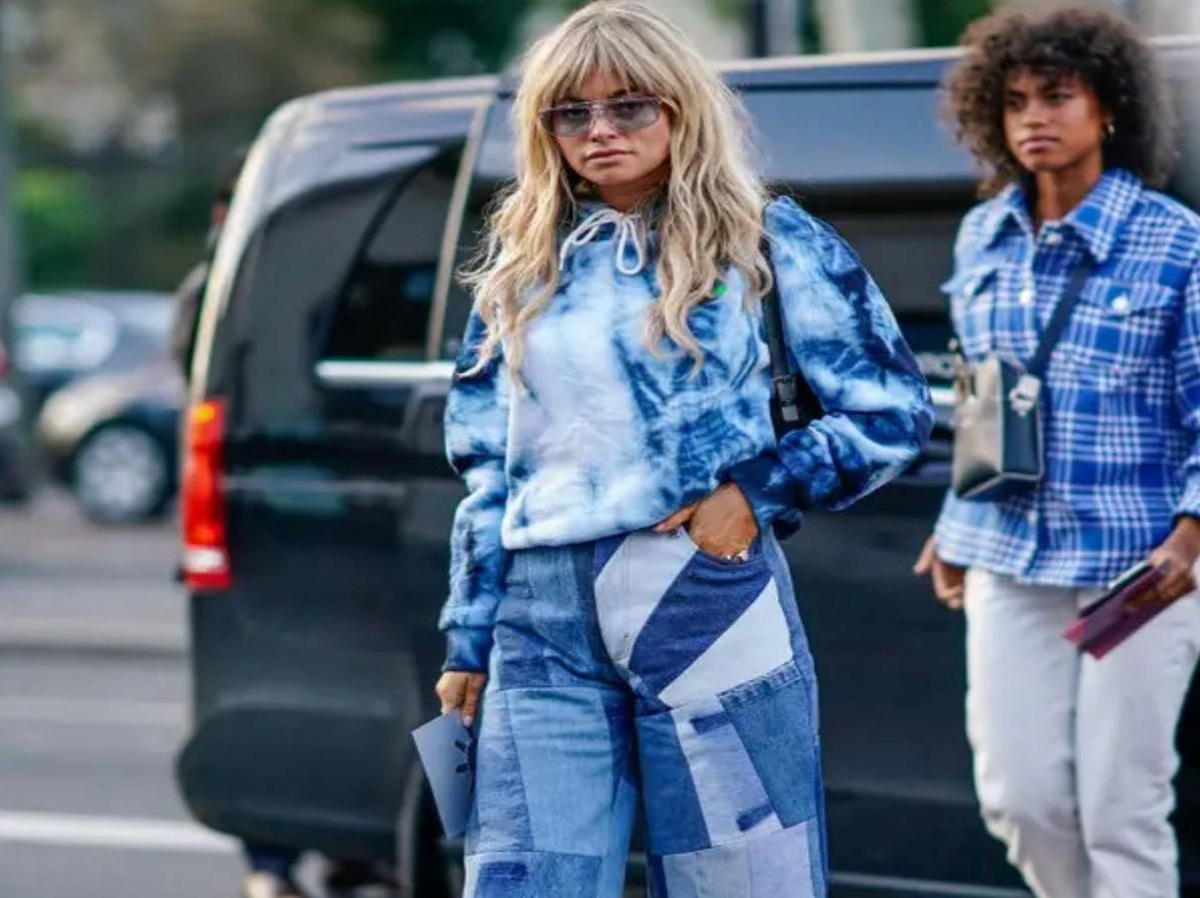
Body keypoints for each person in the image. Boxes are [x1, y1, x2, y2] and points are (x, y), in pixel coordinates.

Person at [434, 3, 933, 896]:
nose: (600, 131)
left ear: (680, 109)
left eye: (629, 105)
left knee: (742, 882)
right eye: (571, 112)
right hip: (540, 614)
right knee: (524, 882)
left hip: (702, 593)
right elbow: (483, 469)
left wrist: (754, 492)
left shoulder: (767, 240)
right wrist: (467, 638)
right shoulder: (520, 265)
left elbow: (889, 409)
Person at [914, 7, 1200, 897]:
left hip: (1141, 566)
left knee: (1122, 806)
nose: (1034, 115)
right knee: (1020, 798)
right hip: (1010, 556)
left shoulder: (1175, 242)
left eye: (1057, 96)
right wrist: (956, 521)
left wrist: (1191, 537)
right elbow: (986, 398)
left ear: (1107, 107)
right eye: (1014, 101)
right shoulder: (982, 237)